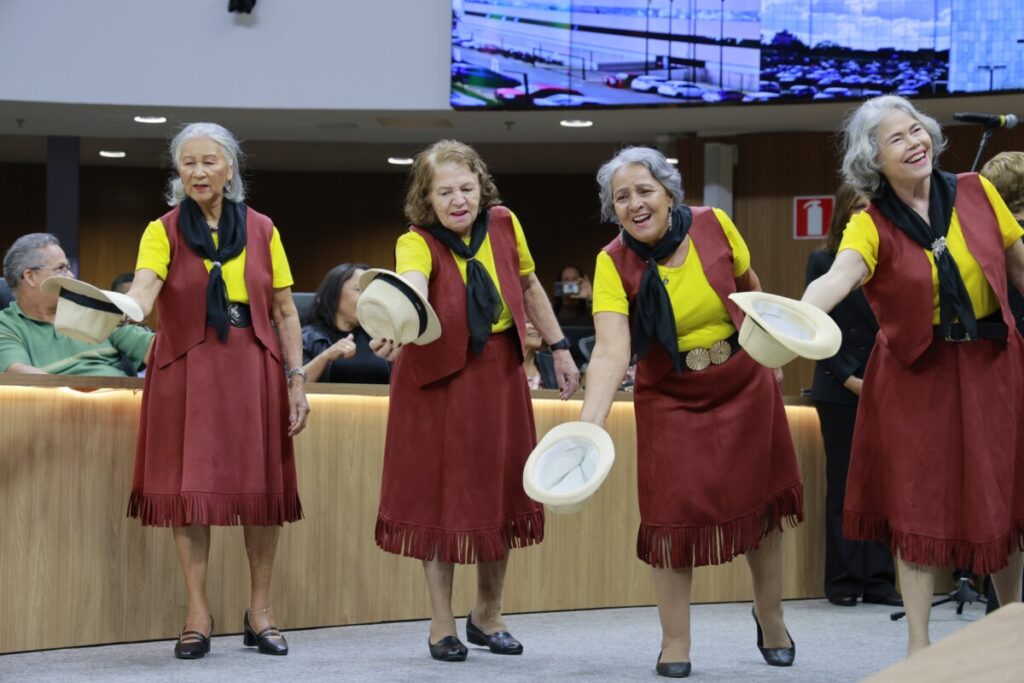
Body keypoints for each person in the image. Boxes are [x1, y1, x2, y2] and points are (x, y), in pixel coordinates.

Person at [802, 96, 1024, 655]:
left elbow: (1022, 268)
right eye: (896, 139)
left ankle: (1011, 630)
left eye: (916, 130)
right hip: (914, 376)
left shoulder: (978, 191)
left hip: (991, 367)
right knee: (916, 506)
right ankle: (919, 648)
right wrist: (797, 316)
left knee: (1001, 499)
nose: (914, 143)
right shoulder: (869, 223)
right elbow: (838, 277)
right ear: (873, 160)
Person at [579, 146, 803, 678]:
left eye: (645, 190)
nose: (635, 203)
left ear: (669, 193)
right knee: (670, 521)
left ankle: (770, 617)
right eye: (622, 197)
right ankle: (675, 640)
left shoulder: (714, 224)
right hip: (669, 395)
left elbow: (752, 291)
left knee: (762, 510)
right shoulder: (612, 261)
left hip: (743, 381)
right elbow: (611, 349)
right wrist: (588, 427)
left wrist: (771, 351)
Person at [371, 139, 579, 662]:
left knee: (500, 490)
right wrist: (395, 320)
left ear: (481, 188)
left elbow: (528, 286)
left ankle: (488, 614)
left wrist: (559, 347)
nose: (458, 200)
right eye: (445, 192)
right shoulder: (416, 241)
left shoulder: (505, 223)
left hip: (498, 373)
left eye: (466, 188)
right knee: (439, 498)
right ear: (427, 198)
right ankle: (441, 622)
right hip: (435, 382)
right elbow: (412, 287)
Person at [123, 123, 309, 659]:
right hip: (185, 369)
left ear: (230, 169)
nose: (198, 171)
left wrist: (296, 380)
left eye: (209, 161)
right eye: (188, 163)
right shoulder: (161, 231)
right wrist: (120, 307)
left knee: (260, 494)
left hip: (252, 365)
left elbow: (284, 312)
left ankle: (261, 612)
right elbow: (144, 289)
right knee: (190, 493)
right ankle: (197, 615)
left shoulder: (263, 229)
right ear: (178, 172)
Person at [806, 183, 899, 608]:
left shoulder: (891, 261)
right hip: (840, 388)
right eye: (859, 207)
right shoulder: (823, 261)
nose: (866, 214)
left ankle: (879, 580)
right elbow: (816, 327)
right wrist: (851, 379)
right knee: (844, 485)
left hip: (887, 387)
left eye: (872, 208)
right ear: (844, 212)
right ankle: (843, 580)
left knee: (882, 486)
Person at [0, 233, 152, 375]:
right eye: (61, 268)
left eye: (68, 268)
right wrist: (74, 391)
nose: (71, 275)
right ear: (30, 277)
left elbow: (151, 348)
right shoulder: (6, 324)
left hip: (118, 392)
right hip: (55, 394)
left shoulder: (93, 306)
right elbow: (18, 373)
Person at [979, 150, 1024, 613]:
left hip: (997, 377)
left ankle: (1003, 610)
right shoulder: (1011, 242)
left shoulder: (980, 241)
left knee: (1007, 495)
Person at [301, 262, 390, 383]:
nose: (367, 298)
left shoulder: (381, 335)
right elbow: (291, 386)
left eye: (369, 292)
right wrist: (326, 357)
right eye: (359, 289)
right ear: (333, 295)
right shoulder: (307, 338)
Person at [522, 318, 557, 389]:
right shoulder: (499, 366)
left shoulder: (554, 365)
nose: (535, 326)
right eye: (527, 322)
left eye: (538, 322)